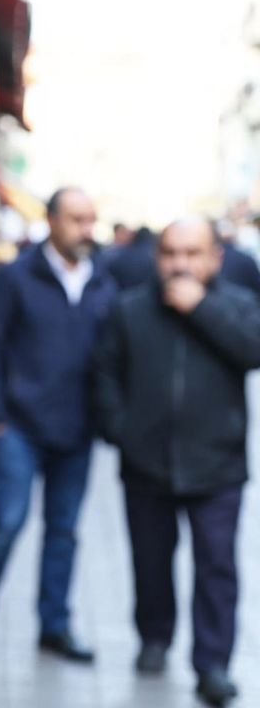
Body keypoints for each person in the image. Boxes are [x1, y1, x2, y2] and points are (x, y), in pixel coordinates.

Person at [93, 218, 260, 707]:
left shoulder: (238, 305)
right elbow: (104, 373)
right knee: (150, 561)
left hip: (217, 465)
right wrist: (120, 431)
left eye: (193, 253)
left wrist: (201, 308)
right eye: (170, 253)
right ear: (156, 257)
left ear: (215, 258)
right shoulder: (129, 309)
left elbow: (253, 352)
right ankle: (154, 636)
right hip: (146, 464)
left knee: (216, 568)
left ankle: (212, 664)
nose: (180, 263)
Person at [0, 187, 116, 661]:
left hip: (77, 430)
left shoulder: (103, 280)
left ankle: (55, 625)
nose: (86, 229)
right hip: (19, 428)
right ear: (51, 221)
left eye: (91, 219)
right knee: (6, 521)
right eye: (76, 219)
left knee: (64, 531)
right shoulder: (15, 277)